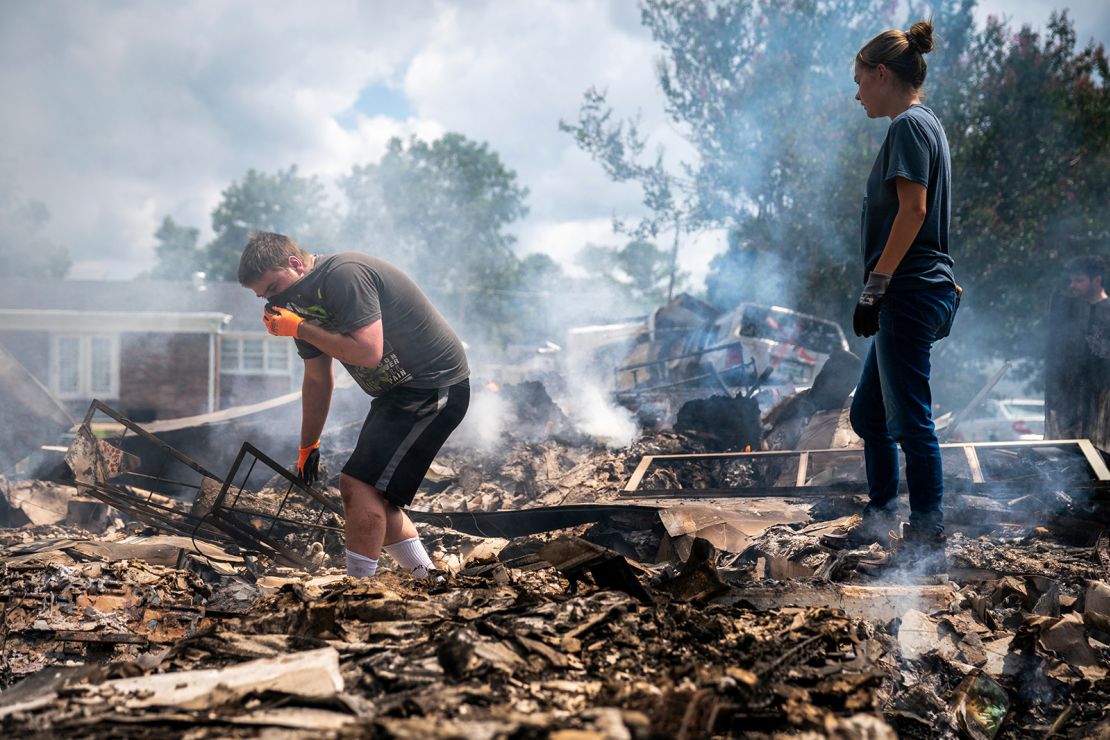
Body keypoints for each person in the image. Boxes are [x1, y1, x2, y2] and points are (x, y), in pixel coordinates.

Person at [237, 232, 470, 580]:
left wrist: (300, 328)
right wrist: (308, 445)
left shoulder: (343, 275)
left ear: (295, 264)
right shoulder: (298, 305)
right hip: (395, 395)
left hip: (432, 386)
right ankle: (429, 580)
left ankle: (358, 587)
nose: (270, 300)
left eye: (272, 288)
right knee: (373, 497)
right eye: (262, 296)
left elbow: (367, 352)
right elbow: (317, 379)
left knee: (356, 486)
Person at [846, 20, 960, 572]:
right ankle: (880, 512)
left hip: (909, 291)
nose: (857, 91)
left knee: (910, 418)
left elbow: (913, 213)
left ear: (882, 73)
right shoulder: (924, 124)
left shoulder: (909, 127)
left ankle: (927, 532)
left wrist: (875, 289)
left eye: (860, 78)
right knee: (869, 413)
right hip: (914, 291)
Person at [1045, 255, 1110, 451]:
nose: (1073, 286)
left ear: (1097, 281)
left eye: (1079, 280)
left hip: (1103, 400)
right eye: (1071, 280)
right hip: (1071, 402)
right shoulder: (1070, 312)